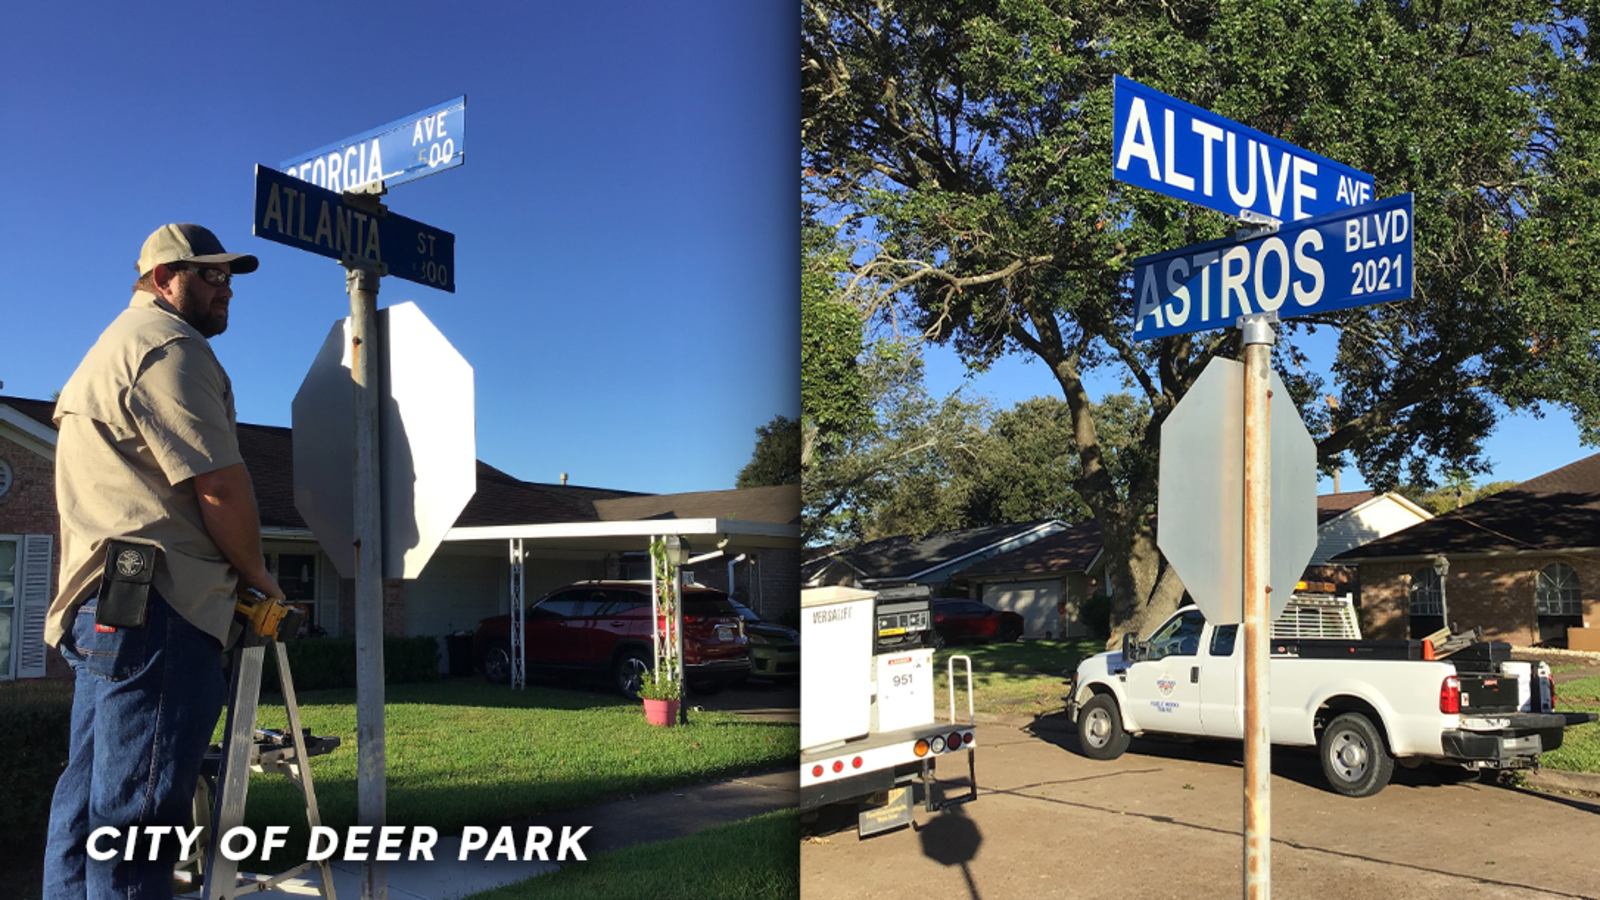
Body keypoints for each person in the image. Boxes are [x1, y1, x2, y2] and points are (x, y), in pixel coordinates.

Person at [43, 223, 285, 900]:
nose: (225, 289)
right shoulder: (167, 348)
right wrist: (262, 579)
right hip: (163, 608)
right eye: (209, 276)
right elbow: (220, 485)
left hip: (109, 604)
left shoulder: (107, 350)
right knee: (139, 821)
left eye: (230, 277)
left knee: (89, 811)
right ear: (162, 279)